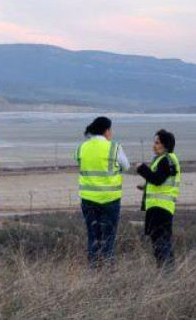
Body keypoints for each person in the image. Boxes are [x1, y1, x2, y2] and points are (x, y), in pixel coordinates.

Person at [75, 116, 129, 268]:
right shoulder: (114, 148)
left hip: (88, 200)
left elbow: (79, 162)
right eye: (110, 130)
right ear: (106, 131)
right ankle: (107, 273)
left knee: (93, 238)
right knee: (108, 239)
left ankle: (94, 272)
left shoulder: (81, 147)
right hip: (110, 200)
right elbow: (126, 166)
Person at [136, 129, 180, 270]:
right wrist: (146, 186)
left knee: (160, 243)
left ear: (165, 145)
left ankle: (165, 273)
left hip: (160, 208)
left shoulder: (166, 160)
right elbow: (160, 182)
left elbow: (157, 180)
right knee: (162, 242)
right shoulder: (164, 159)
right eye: (154, 142)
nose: (154, 146)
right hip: (160, 207)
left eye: (157, 143)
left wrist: (141, 169)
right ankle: (167, 272)